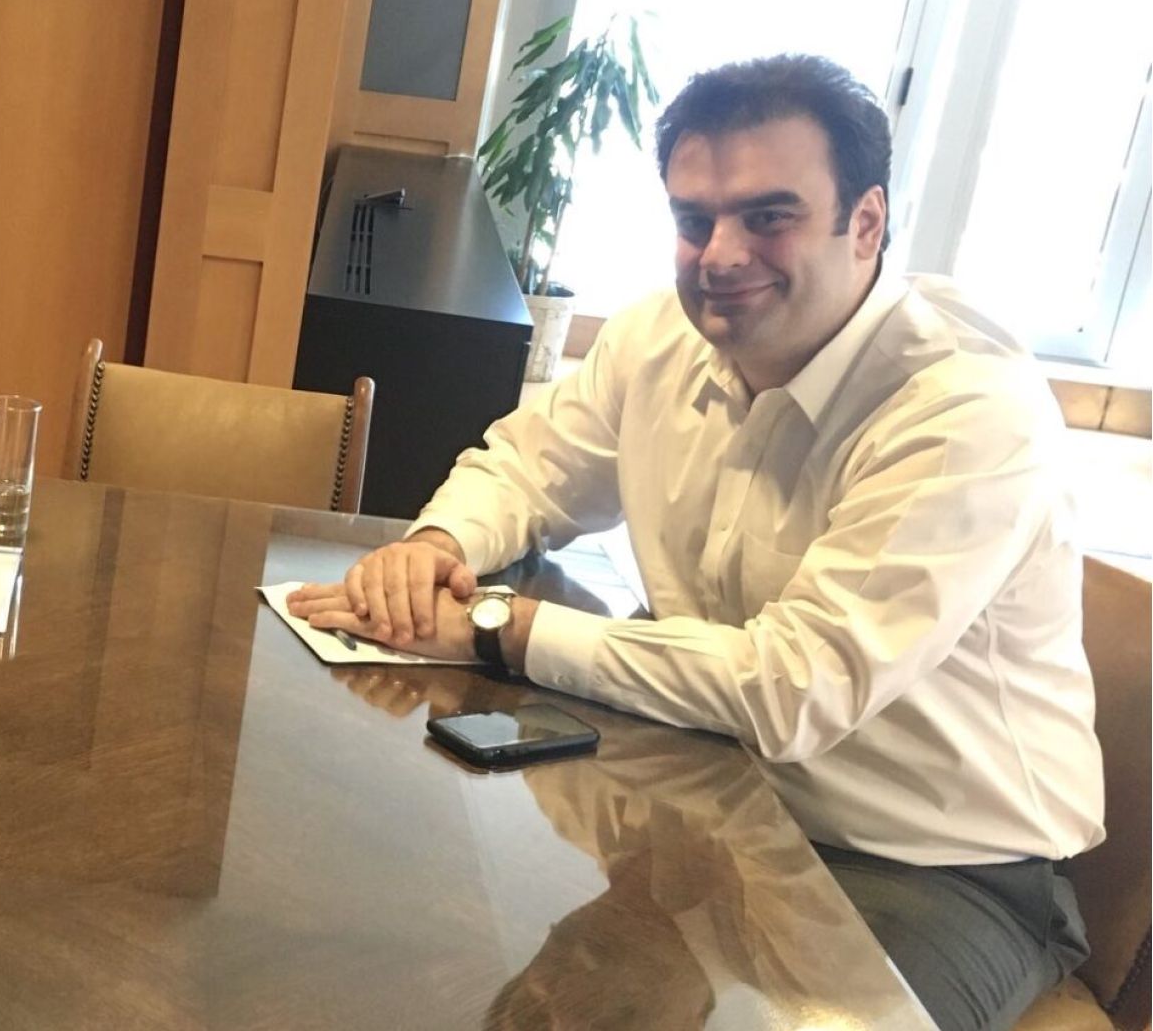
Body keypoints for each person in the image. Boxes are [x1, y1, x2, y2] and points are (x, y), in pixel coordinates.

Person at [288, 54, 1103, 1031]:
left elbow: (791, 687)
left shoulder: (964, 408)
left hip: (924, 863)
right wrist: (436, 544)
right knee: (423, 935)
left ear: (867, 222)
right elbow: (530, 468)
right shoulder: (658, 340)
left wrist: (498, 625)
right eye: (693, 219)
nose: (719, 255)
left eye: (768, 216)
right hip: (703, 788)